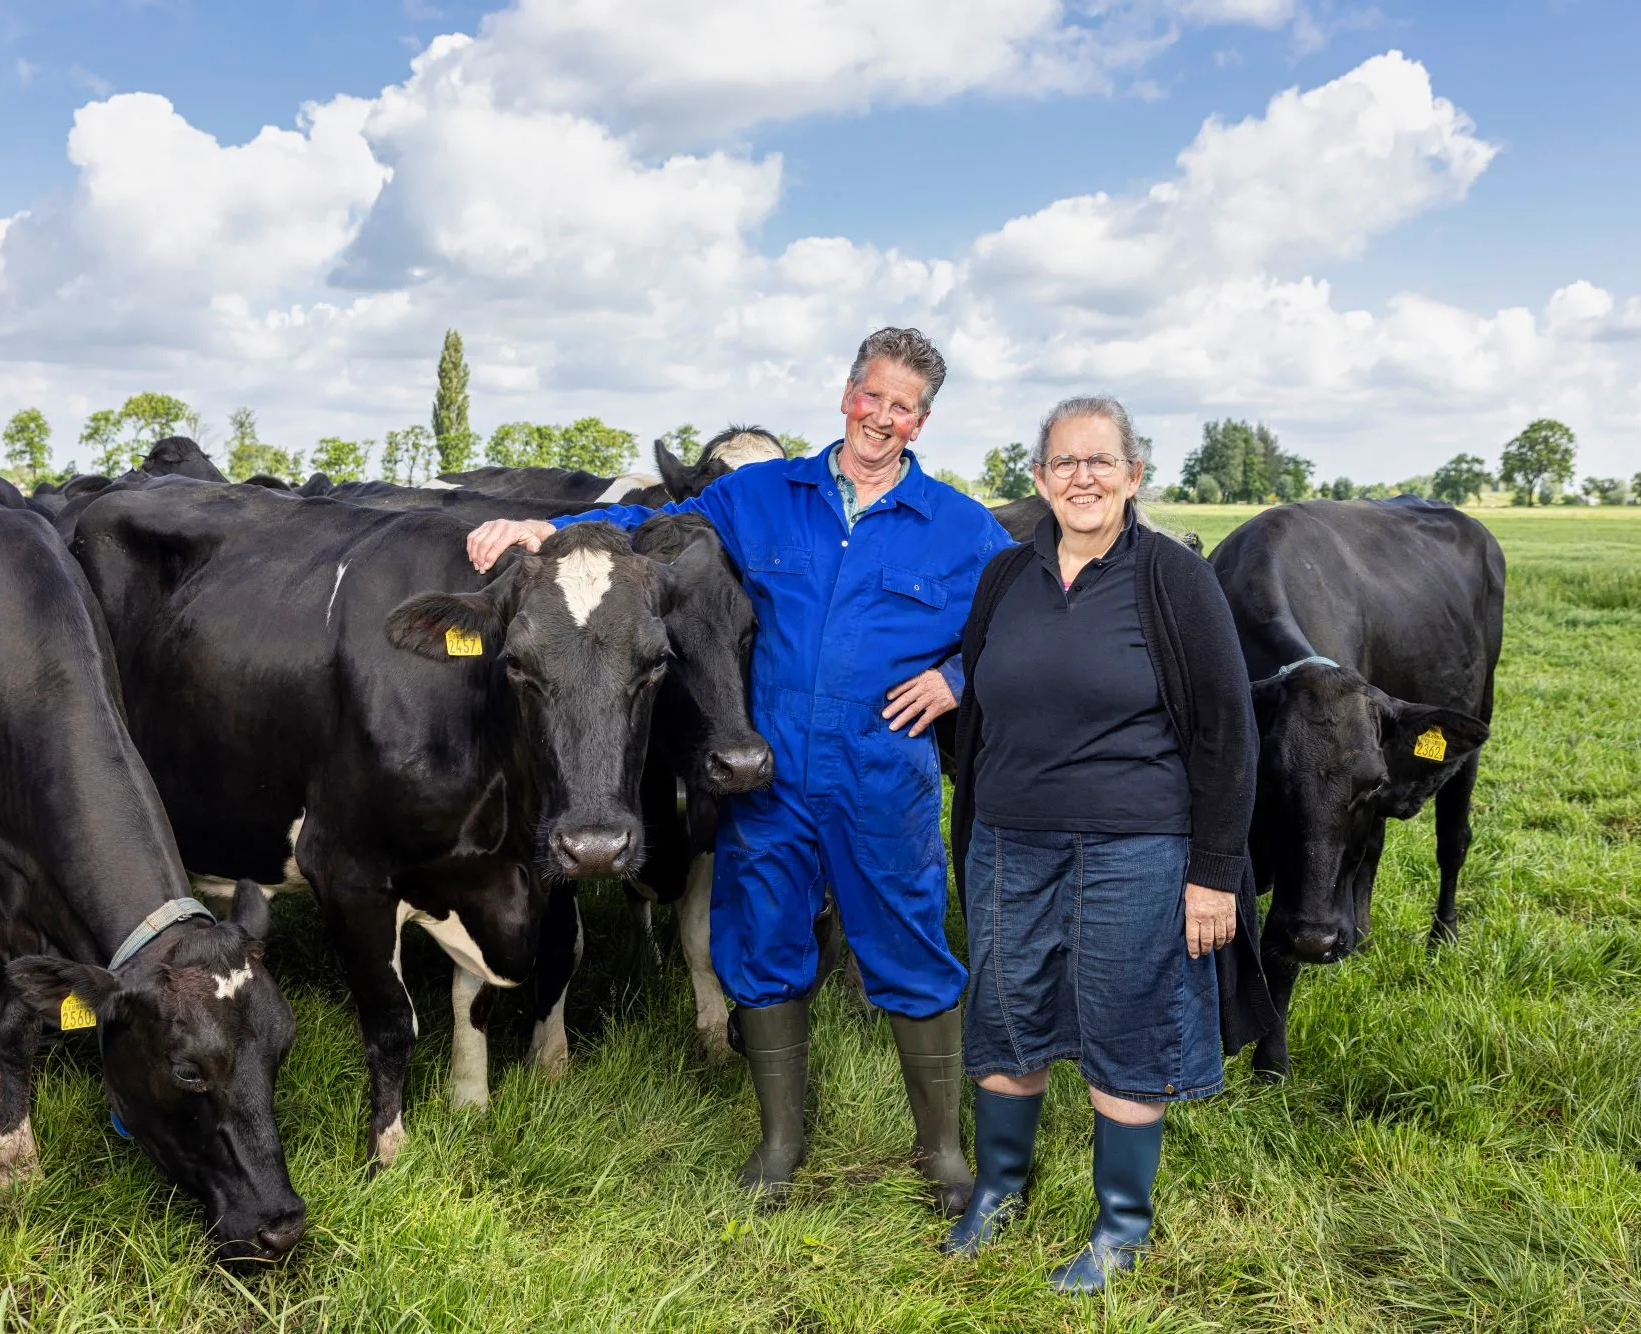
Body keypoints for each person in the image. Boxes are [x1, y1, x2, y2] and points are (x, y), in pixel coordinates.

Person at [467, 328, 1012, 1213]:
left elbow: (1020, 613)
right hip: (769, 777)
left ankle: (944, 1154)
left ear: (922, 420)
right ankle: (779, 1144)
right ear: (846, 394)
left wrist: (956, 680)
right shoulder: (763, 494)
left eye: (903, 406)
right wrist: (544, 527)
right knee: (761, 951)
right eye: (871, 396)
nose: (882, 417)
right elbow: (643, 523)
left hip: (881, 775)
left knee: (911, 948)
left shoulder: (957, 527)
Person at [944, 395, 1269, 1293]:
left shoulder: (1172, 577)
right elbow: (976, 714)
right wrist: (970, 831)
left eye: (1100, 462)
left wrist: (1213, 875)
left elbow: (1228, 732)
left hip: (1137, 847)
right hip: (1010, 841)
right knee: (1006, 1017)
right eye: (1063, 462)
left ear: (1133, 475)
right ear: (1041, 478)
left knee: (1127, 1022)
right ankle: (998, 1191)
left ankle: (1120, 1228)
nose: (1081, 478)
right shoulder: (1005, 578)